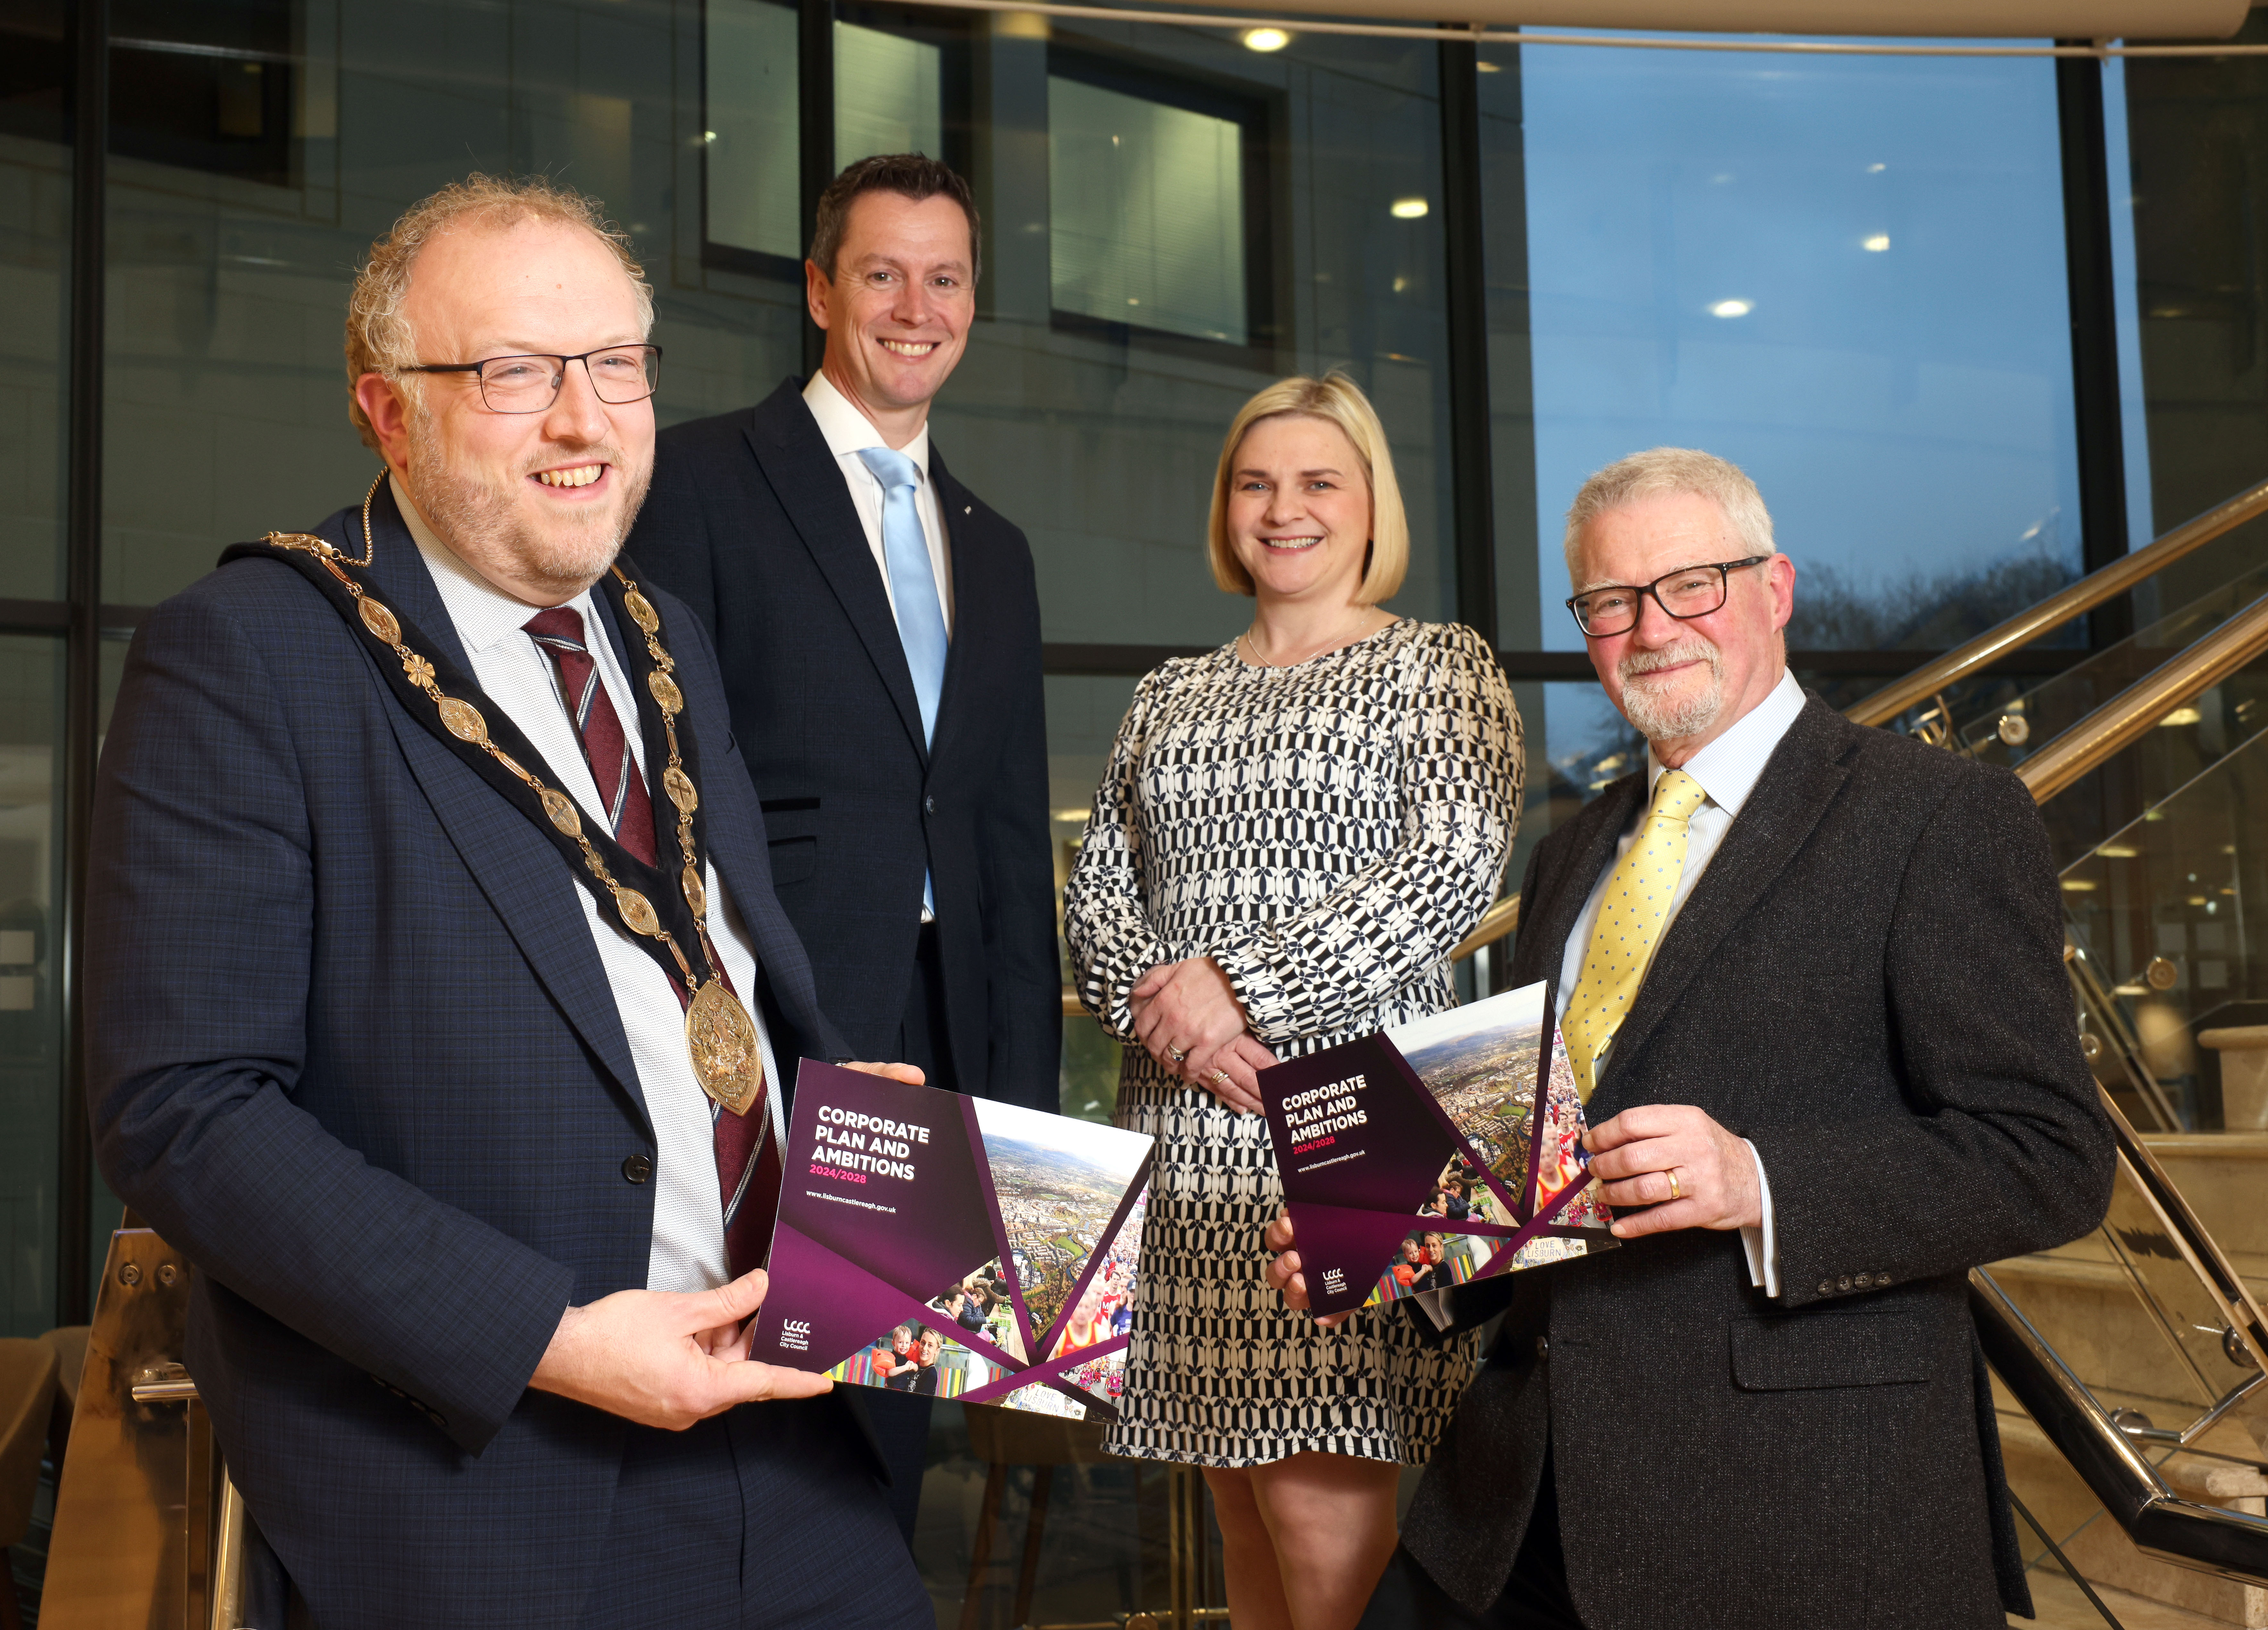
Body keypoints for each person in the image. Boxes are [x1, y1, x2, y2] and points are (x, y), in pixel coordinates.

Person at [86, 175, 933, 1630]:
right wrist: (551, 1339)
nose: (582, 420)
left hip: (803, 1444)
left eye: (615, 365)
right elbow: (184, 1109)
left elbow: (714, 970)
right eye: (513, 373)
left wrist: (854, 1129)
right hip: (496, 1484)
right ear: (384, 408)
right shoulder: (246, 655)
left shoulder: (661, 636)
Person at [1265, 447, 2116, 1630]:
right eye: (1610, 602)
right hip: (1512, 1495)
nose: (1650, 627)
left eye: (1689, 585)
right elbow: (1533, 1163)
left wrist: (1755, 1178)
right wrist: (1389, 1249)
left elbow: (2049, 1156)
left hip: (1794, 1508)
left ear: (1775, 588)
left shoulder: (1937, 817)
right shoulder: (1571, 854)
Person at [624, 151, 1057, 1538]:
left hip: (943, 1037)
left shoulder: (999, 548)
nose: (914, 306)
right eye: (882, 273)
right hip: (775, 1027)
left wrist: (1031, 1117)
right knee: (758, 1415)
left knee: (887, 1422)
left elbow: (996, 834)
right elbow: (664, 779)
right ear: (821, 289)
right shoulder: (696, 481)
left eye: (945, 278)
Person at [1064, 373, 1522, 1630]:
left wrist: (1237, 989)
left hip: (1347, 1133)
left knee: (1326, 1511)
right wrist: (1179, 1019)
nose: (1285, 508)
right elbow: (1099, 898)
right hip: (1184, 1146)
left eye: (1320, 479)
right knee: (1239, 1509)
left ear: (1372, 501)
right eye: (1256, 482)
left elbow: (1447, 868)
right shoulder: (1167, 693)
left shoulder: (1438, 667)